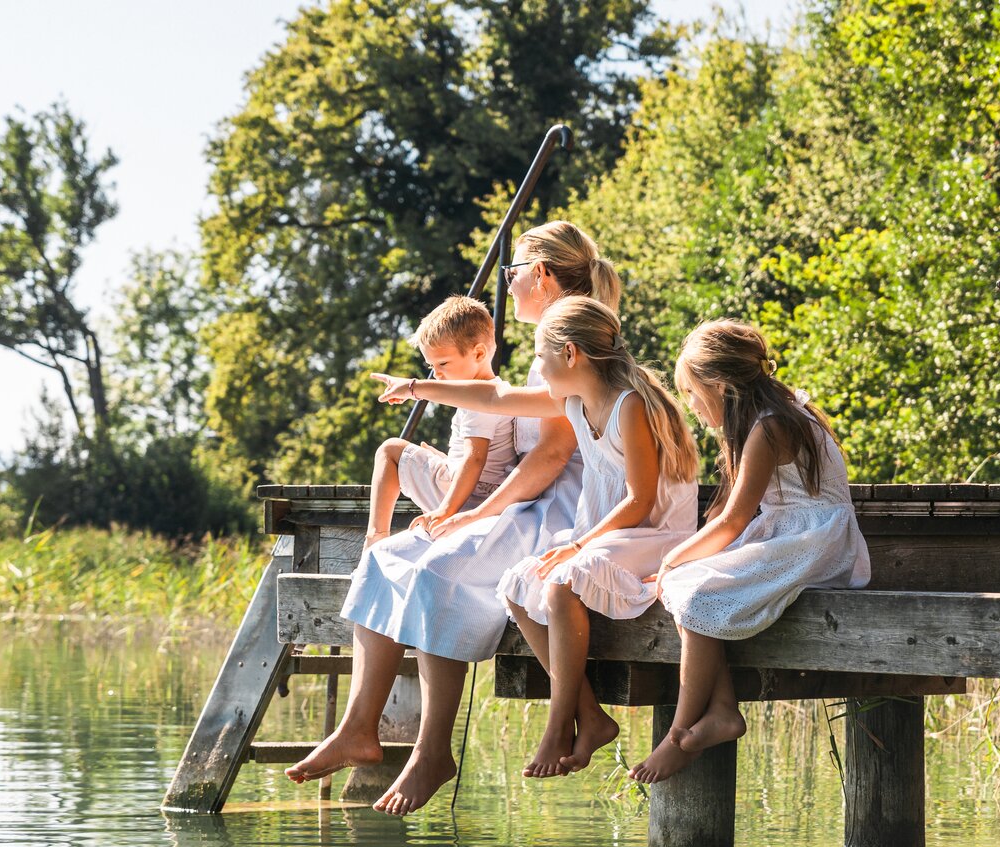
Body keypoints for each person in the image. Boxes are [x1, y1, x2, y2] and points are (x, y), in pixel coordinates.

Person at [284, 221, 622, 814]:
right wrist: (421, 390)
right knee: (387, 554)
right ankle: (359, 726)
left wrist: (476, 514)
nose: (508, 283)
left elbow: (551, 455)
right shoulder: (552, 339)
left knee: (441, 568)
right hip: (529, 499)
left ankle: (431, 750)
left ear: (539, 274)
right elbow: (502, 416)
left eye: (512, 272)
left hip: (559, 511)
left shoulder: (568, 342)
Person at [376, 296, 699, 778]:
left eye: (542, 358)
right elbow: (493, 398)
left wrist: (579, 544)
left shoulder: (627, 405)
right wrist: (418, 387)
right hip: (610, 533)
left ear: (570, 355)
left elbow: (640, 500)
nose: (539, 370)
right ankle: (589, 718)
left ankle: (557, 725)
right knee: (517, 582)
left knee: (560, 579)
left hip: (651, 532)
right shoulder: (574, 401)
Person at [628, 319, 872, 784]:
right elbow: (728, 506)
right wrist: (684, 561)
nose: (692, 408)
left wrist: (670, 558)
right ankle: (721, 710)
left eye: (692, 394)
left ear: (719, 385)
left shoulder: (771, 426)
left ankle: (679, 733)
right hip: (793, 532)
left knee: (695, 594)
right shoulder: (761, 420)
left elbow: (735, 520)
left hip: (814, 539)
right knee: (684, 586)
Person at [364, 296, 517, 548]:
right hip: (484, 491)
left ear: (478, 352)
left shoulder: (479, 399)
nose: (437, 373)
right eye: (431, 365)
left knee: (390, 451)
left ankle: (375, 539)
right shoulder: (501, 390)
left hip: (469, 497)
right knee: (419, 454)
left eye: (443, 363)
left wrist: (446, 511)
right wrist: (448, 461)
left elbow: (475, 458)